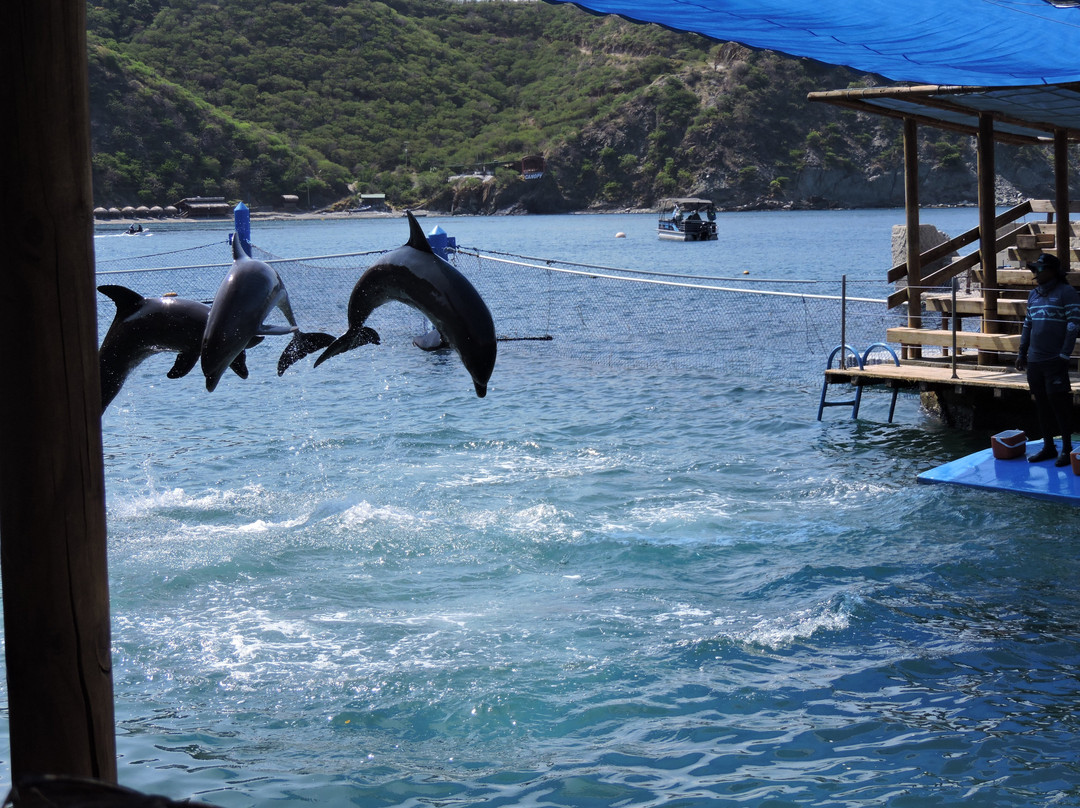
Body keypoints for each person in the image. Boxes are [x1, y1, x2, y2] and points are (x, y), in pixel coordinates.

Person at [1015, 252, 1080, 466]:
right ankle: (1049, 447)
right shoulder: (1033, 295)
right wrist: (1022, 352)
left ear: (1052, 271)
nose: (1036, 273)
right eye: (1034, 269)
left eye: (1040, 269)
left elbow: (1073, 326)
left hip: (1055, 360)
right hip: (1035, 360)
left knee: (1059, 404)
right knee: (1041, 404)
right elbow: (1028, 325)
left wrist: (1064, 354)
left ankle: (1067, 449)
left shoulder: (1067, 292)